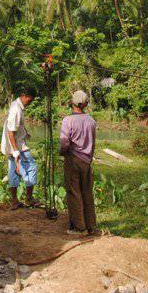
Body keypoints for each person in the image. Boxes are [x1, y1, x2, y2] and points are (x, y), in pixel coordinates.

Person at [59, 90, 97, 235]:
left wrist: (62, 153)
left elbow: (64, 143)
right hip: (86, 161)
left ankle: (79, 227)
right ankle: (91, 225)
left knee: (74, 192)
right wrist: (89, 157)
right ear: (86, 104)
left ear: (72, 103)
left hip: (73, 160)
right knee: (87, 192)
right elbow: (93, 143)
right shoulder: (91, 121)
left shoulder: (68, 120)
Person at [0, 87, 40, 210]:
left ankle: (14, 201)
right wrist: (16, 151)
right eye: (30, 100)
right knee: (31, 168)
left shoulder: (15, 105)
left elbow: (17, 127)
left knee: (14, 171)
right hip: (18, 146)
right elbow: (11, 132)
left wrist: (25, 133)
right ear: (24, 95)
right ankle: (28, 198)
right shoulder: (17, 110)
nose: (30, 103)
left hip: (14, 145)